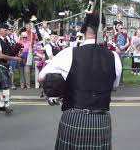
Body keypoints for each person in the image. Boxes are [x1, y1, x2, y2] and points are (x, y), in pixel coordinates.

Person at [38, 14, 122, 150]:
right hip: (101, 120)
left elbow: (41, 77)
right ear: (104, 31)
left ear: (83, 31)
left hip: (74, 118)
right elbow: (114, 85)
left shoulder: (68, 53)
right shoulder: (114, 57)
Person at [0, 24, 21, 113]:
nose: (7, 31)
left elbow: (10, 51)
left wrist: (17, 48)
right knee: (6, 86)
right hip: (0, 64)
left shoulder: (7, 39)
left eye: (7, 30)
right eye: (5, 30)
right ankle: (7, 104)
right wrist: (14, 58)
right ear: (0, 30)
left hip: (5, 65)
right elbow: (0, 55)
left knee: (2, 87)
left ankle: (1, 105)